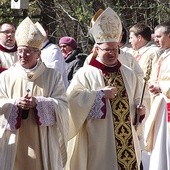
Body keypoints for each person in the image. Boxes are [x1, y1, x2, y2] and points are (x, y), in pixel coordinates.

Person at [65, 7, 146, 170]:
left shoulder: (128, 73)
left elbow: (138, 101)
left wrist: (140, 112)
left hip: (127, 143)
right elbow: (71, 101)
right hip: (99, 142)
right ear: (97, 49)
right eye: (107, 49)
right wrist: (99, 95)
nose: (112, 53)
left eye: (115, 49)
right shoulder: (85, 73)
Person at [0, 17, 68, 170]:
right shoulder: (6, 76)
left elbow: (63, 104)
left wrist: (39, 103)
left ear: (38, 54)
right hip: (14, 138)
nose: (23, 55)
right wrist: (15, 103)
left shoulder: (52, 76)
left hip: (42, 137)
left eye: (28, 52)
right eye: (20, 51)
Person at [145, 20, 170, 169]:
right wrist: (153, 86)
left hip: (167, 106)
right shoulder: (163, 55)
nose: (155, 39)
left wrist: (161, 86)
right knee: (160, 144)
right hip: (159, 106)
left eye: (159, 36)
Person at [40, 22, 68, 88]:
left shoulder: (53, 50)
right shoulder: (37, 50)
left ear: (46, 33)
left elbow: (54, 73)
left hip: (54, 91)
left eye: (39, 32)